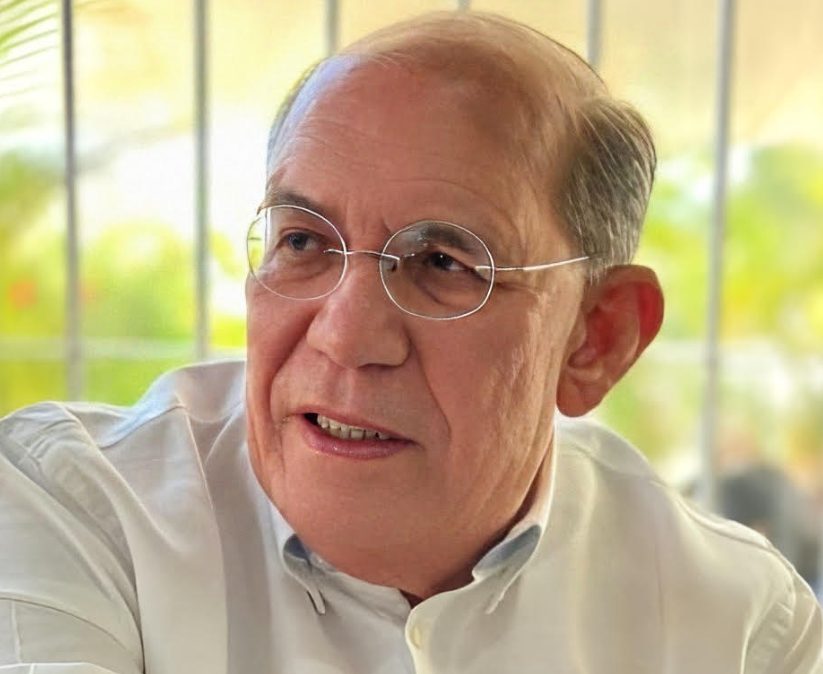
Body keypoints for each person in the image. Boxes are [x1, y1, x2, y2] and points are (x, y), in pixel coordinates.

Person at [0, 10, 820, 674]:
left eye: (442, 264)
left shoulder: (740, 626)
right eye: (302, 241)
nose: (346, 336)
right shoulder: (74, 512)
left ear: (594, 339)